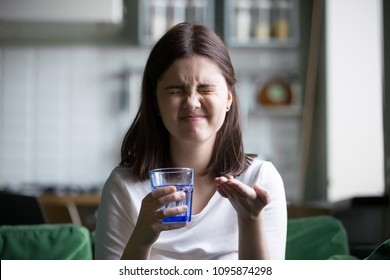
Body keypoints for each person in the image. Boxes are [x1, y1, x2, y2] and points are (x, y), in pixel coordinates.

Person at [94, 22, 287, 260]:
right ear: (156, 101)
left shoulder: (260, 181)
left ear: (228, 98)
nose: (192, 102)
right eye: (176, 90)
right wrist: (142, 237)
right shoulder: (123, 186)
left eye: (205, 89)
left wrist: (251, 219)